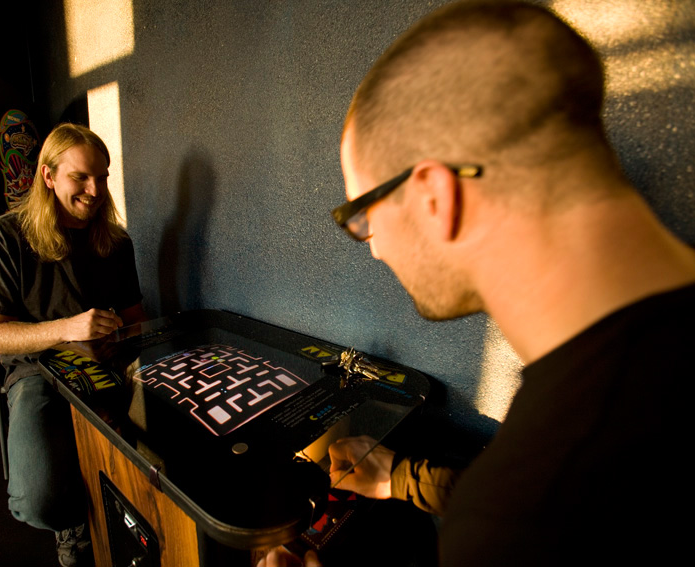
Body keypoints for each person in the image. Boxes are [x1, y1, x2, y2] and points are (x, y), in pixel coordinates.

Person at [265, 1, 694, 565]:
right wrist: (402, 478)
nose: (374, 250)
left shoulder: (522, 510)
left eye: (364, 218)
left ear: (435, 198)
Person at [0, 123, 145, 567]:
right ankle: (74, 524)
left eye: (102, 177)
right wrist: (66, 328)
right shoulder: (4, 236)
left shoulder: (116, 241)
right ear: (48, 176)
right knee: (38, 502)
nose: (95, 189)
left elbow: (137, 318)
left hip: (110, 366)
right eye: (80, 178)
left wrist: (120, 330)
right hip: (36, 372)